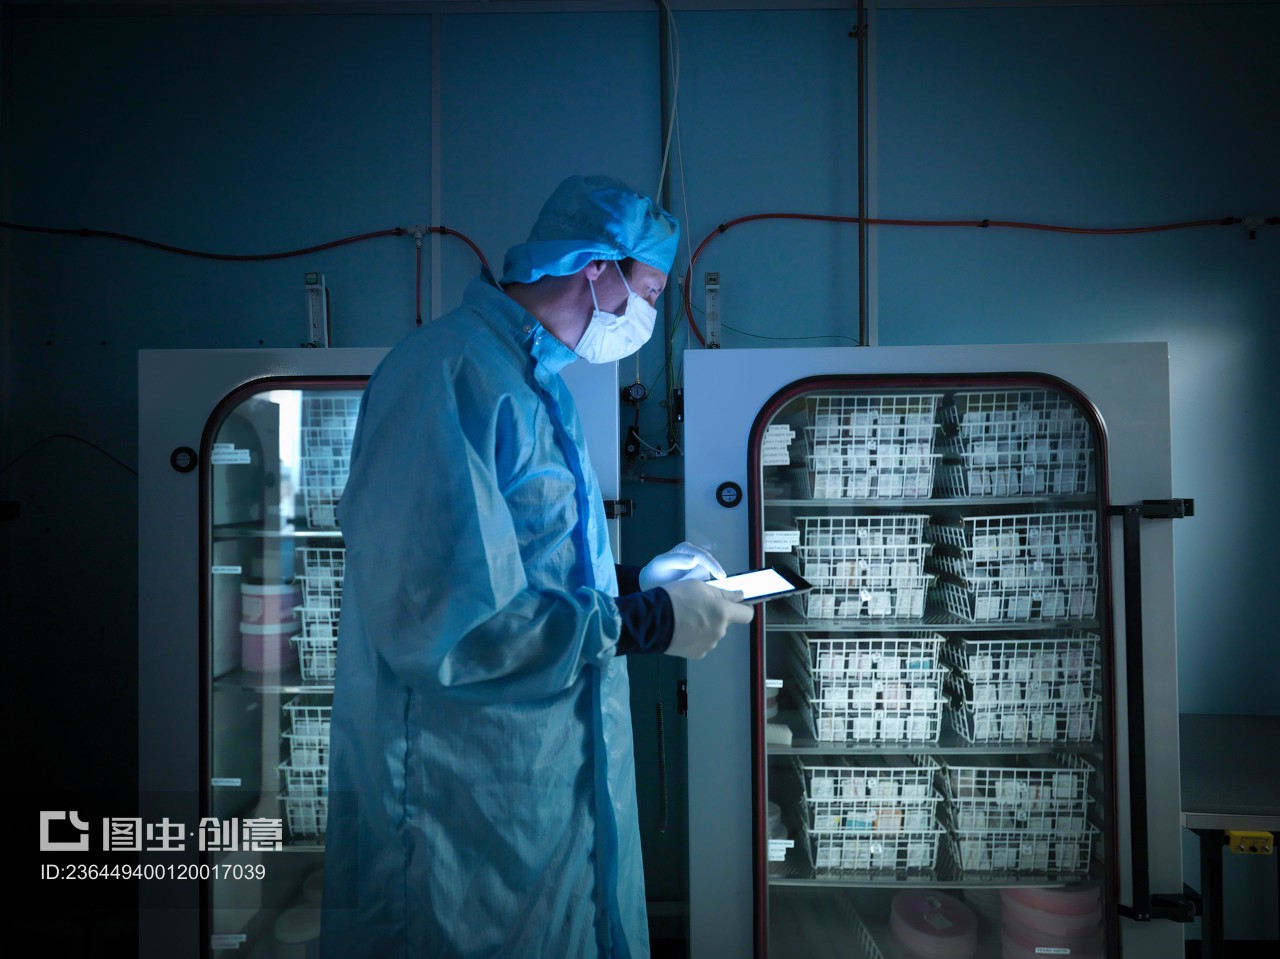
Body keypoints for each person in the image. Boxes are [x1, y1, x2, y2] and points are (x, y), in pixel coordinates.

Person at [320, 175, 754, 959]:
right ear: (599, 269)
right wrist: (649, 622)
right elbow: (449, 622)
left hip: (543, 787)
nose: (647, 320)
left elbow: (526, 556)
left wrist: (635, 580)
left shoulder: (531, 382)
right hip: (462, 804)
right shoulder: (446, 374)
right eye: (650, 293)